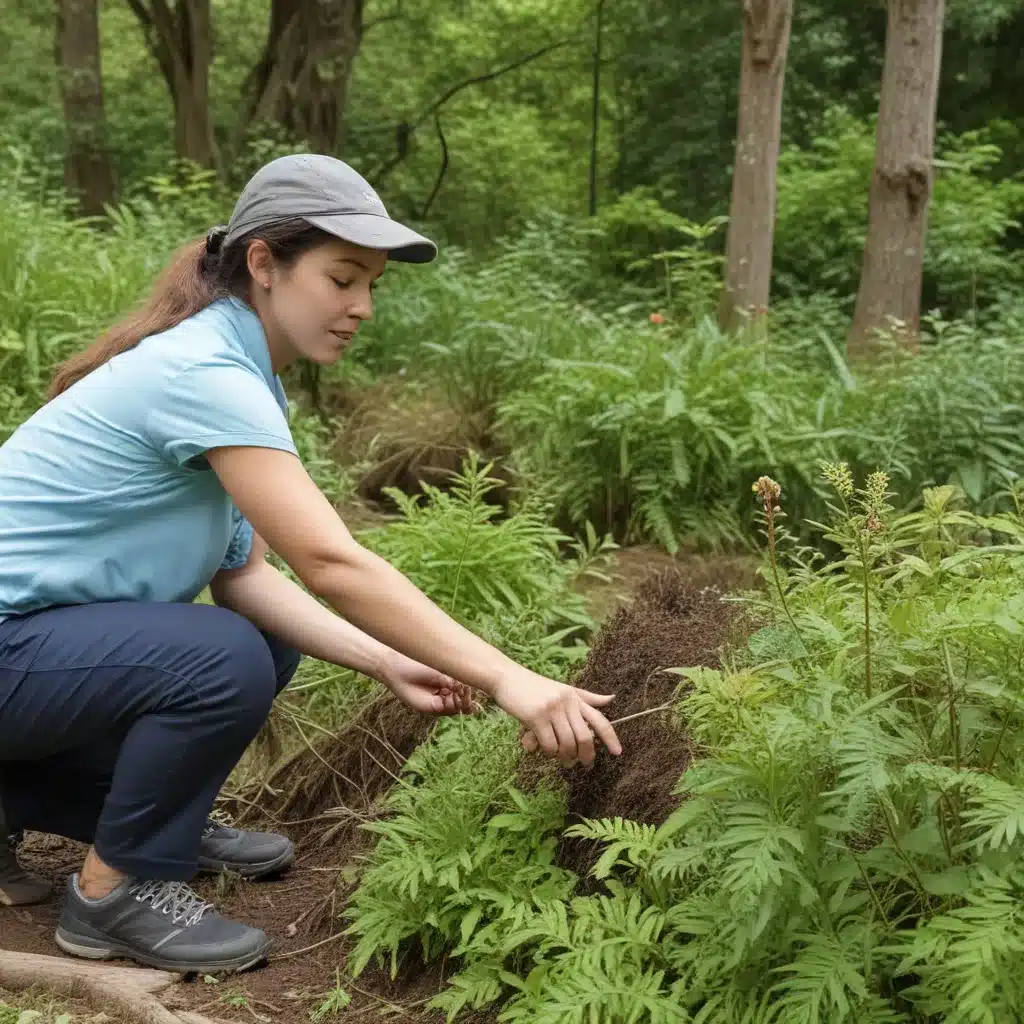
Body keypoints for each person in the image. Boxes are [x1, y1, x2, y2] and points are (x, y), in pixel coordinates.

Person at [0, 154, 622, 973]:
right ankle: (116, 896)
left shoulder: (232, 368)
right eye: (342, 279)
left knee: (257, 641)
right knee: (216, 658)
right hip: (16, 654)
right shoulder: (205, 373)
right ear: (264, 264)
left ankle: (147, 825)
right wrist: (512, 679)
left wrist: (390, 662)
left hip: (32, 659)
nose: (362, 306)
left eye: (372, 285)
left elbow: (248, 577)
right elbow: (332, 563)